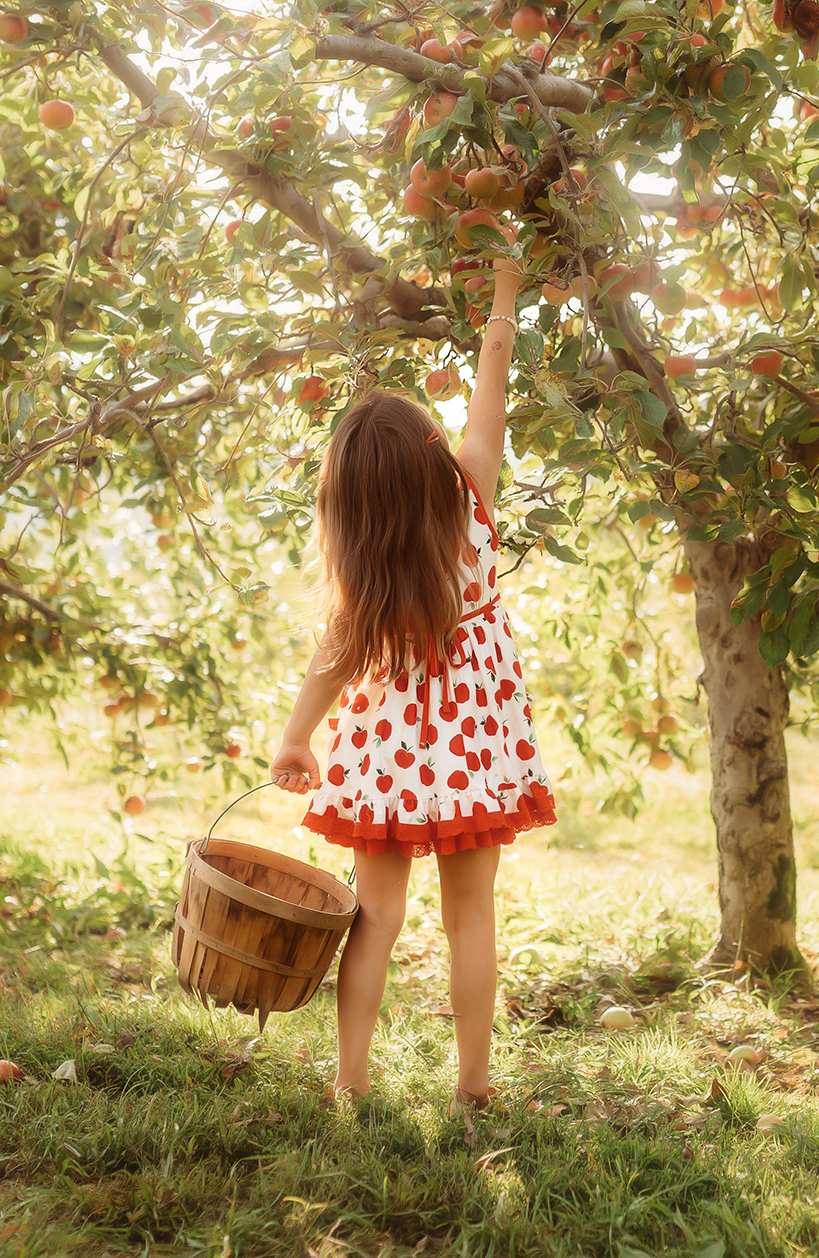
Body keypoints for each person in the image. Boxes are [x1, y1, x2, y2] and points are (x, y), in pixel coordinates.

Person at [270, 244, 552, 1113]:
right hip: (476, 742)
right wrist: (505, 287)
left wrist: (294, 735)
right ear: (432, 461)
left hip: (389, 747)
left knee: (375, 916)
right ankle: (473, 1088)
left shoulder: (369, 577)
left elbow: (334, 655)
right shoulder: (469, 494)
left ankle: (349, 1083)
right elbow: (491, 378)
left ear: (350, 505)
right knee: (472, 916)